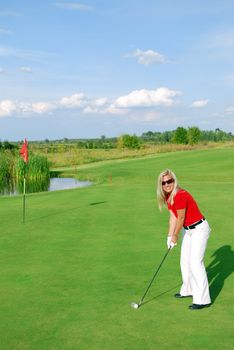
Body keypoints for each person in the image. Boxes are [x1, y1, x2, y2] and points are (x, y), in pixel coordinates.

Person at [157, 169, 211, 310]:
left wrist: (175, 235)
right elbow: (173, 217)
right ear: (161, 185)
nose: (167, 184)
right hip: (188, 230)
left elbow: (181, 217)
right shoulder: (169, 197)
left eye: (170, 181)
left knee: (195, 263)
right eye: (164, 182)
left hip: (199, 229)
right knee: (185, 261)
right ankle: (188, 290)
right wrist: (169, 236)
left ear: (174, 181)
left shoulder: (180, 195)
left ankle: (202, 299)